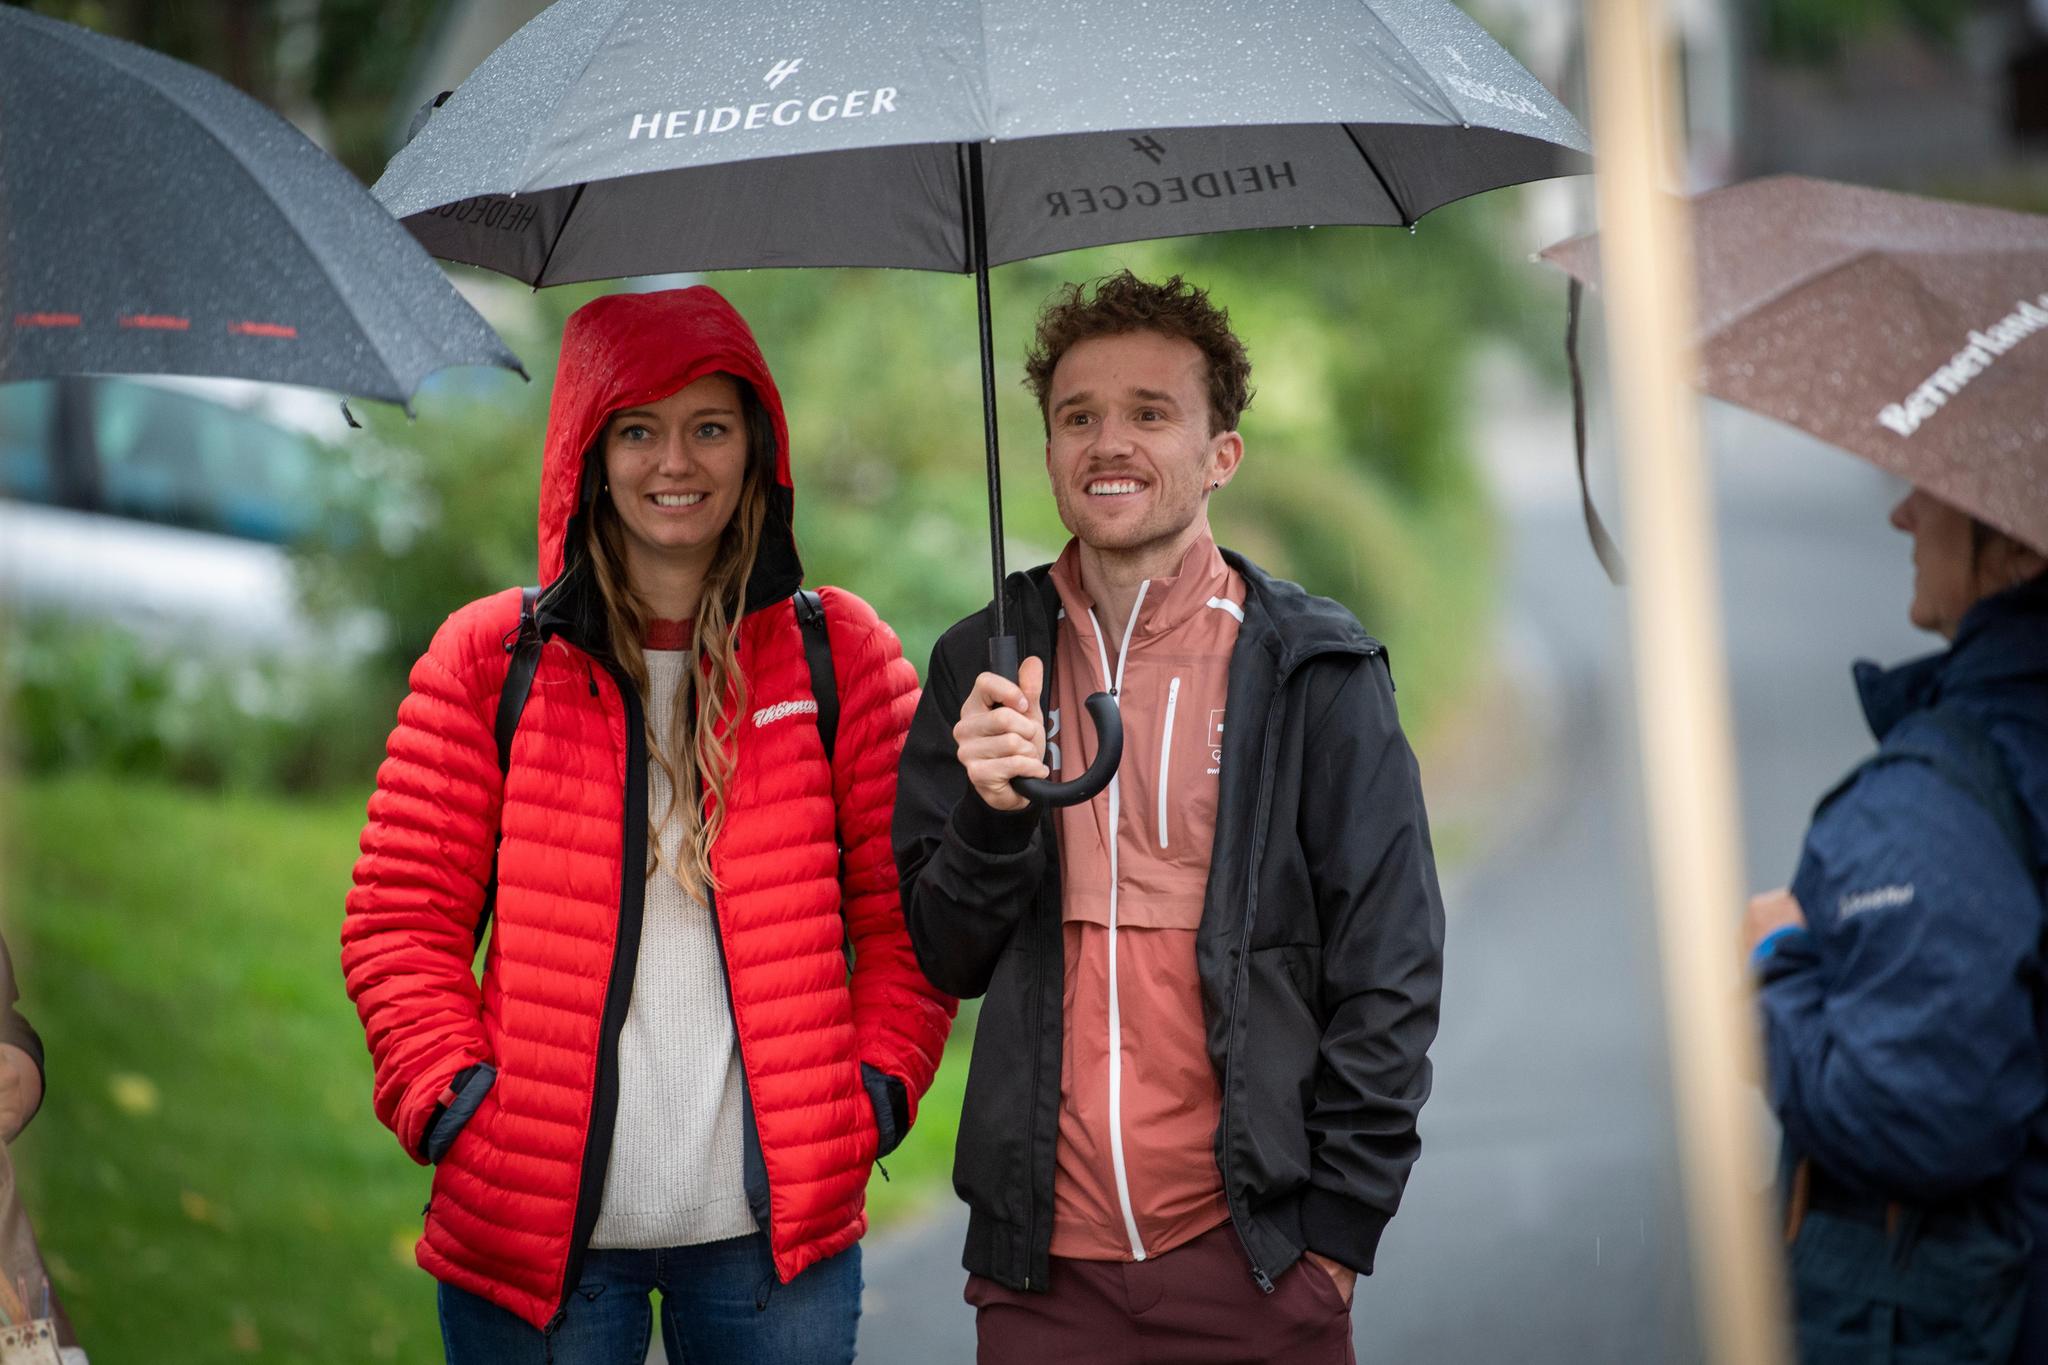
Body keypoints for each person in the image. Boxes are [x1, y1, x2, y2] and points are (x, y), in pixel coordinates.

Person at [342, 286, 953, 1364]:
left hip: (773, 1252)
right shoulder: (494, 659)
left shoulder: (839, 656)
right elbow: (399, 922)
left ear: (756, 447)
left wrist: (872, 1095)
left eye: (708, 427)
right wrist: (452, 1103)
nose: (676, 463)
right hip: (538, 1249)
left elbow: (909, 924)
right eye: (638, 430)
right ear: (587, 452)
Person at [894, 271, 1445, 1363]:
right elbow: (944, 954)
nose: (1109, 443)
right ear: (1046, 449)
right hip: (1040, 1279)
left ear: (1219, 454)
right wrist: (992, 815)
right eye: (1077, 416)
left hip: (1254, 1262)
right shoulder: (981, 661)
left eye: (1150, 414)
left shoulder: (1310, 668)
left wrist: (1335, 1234)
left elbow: (1390, 963)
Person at [1746, 487, 2048, 1362]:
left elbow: (1910, 1116)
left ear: (2026, 548)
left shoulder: (1937, 806)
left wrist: (1775, 966)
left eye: (1942, 494)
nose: (1903, 515)